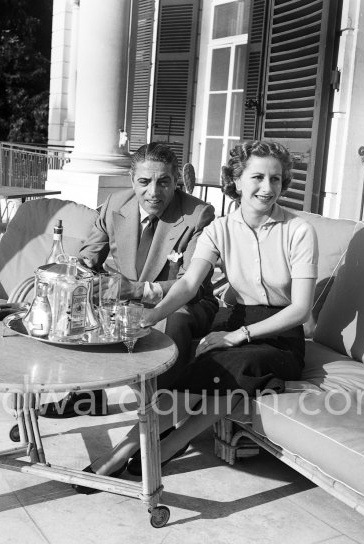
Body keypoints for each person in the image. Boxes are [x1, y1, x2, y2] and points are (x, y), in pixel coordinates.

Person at [84, 140, 318, 482]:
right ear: (236, 180)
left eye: (276, 179)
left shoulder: (299, 231)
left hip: (280, 334)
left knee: (233, 366)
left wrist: (239, 335)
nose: (267, 189)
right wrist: (151, 316)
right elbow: (188, 285)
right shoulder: (219, 229)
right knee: (201, 375)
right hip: (235, 319)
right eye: (257, 178)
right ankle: (142, 450)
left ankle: (134, 452)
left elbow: (300, 309)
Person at [41, 142, 218, 419]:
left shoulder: (199, 215)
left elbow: (190, 283)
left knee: (177, 317)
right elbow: (91, 252)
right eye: (145, 182)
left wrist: (137, 290)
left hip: (182, 301)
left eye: (164, 182)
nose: (153, 192)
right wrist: (85, 267)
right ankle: (85, 395)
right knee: (80, 301)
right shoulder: (115, 203)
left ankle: (164, 414)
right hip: (122, 296)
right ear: (132, 180)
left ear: (176, 182)